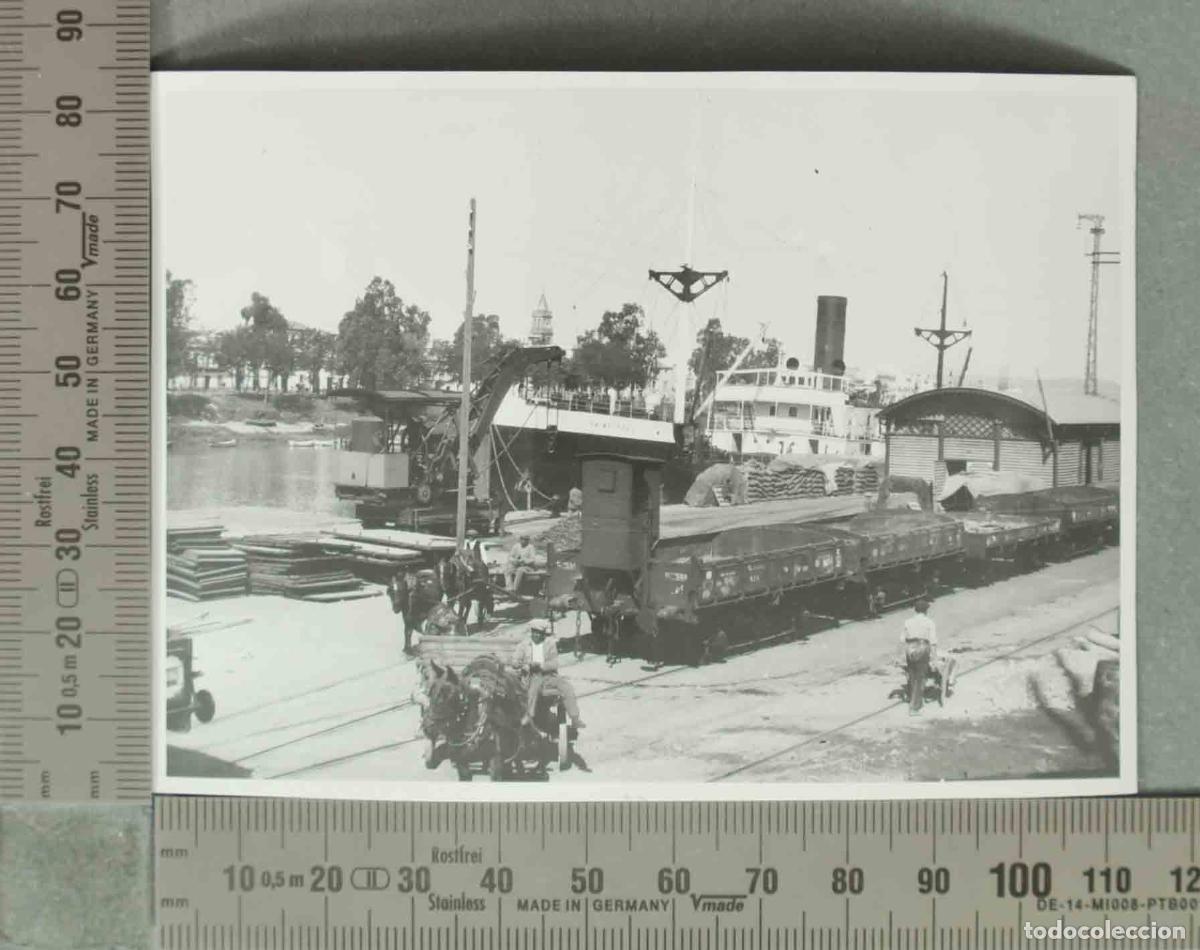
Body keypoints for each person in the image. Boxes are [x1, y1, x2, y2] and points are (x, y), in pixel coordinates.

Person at [514, 618, 584, 730]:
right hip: (531, 677)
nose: (536, 635)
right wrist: (526, 666)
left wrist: (541, 666)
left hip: (548, 676)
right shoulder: (524, 645)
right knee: (535, 683)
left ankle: (575, 718)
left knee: (566, 686)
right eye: (534, 632)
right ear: (531, 632)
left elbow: (554, 663)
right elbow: (515, 663)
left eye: (539, 633)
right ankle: (529, 714)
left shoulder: (549, 644)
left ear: (543, 634)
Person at [901, 598, 937, 714]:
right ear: (926, 610)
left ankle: (914, 700)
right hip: (922, 648)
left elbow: (902, 639)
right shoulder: (929, 622)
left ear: (915, 610)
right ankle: (915, 707)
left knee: (912, 675)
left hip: (910, 648)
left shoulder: (907, 621)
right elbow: (933, 642)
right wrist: (934, 659)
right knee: (920, 677)